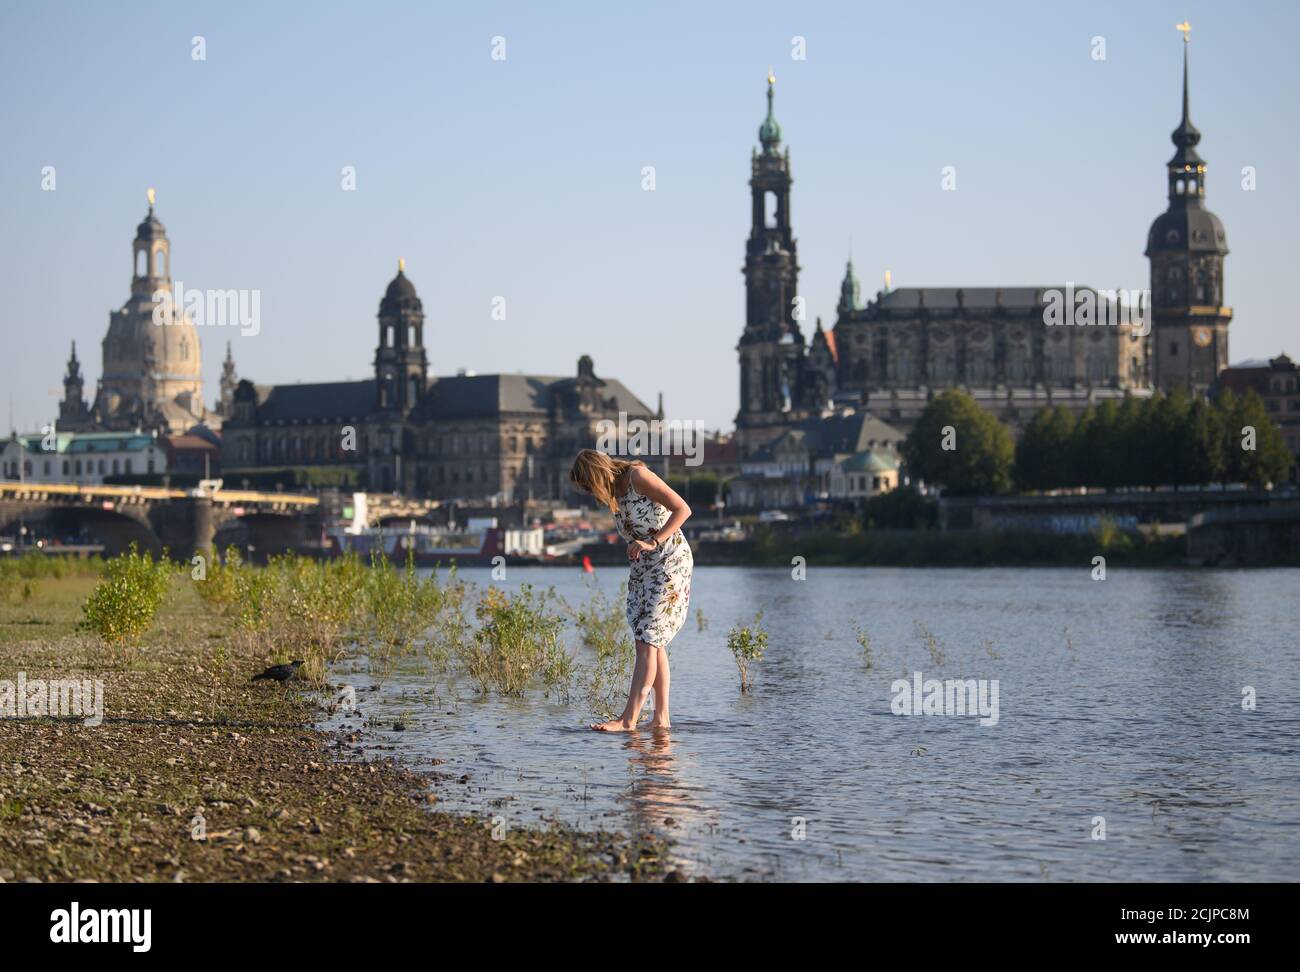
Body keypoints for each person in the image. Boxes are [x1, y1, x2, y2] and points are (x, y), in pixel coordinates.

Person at [569, 449, 693, 731]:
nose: (590, 493)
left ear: (597, 474)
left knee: (648, 639)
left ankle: (628, 720)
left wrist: (654, 541)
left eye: (588, 486)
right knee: (650, 639)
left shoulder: (638, 476)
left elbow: (683, 509)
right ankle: (661, 719)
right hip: (643, 568)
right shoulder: (615, 492)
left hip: (670, 562)